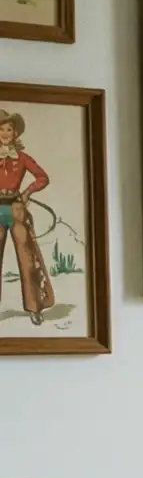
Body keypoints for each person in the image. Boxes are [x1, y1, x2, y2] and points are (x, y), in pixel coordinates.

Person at [0, 110, 54, 326]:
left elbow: (43, 177)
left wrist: (27, 192)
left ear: (15, 133)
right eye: (1, 129)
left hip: (15, 210)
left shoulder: (22, 157)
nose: (5, 133)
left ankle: (34, 307)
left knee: (27, 260)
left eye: (9, 129)